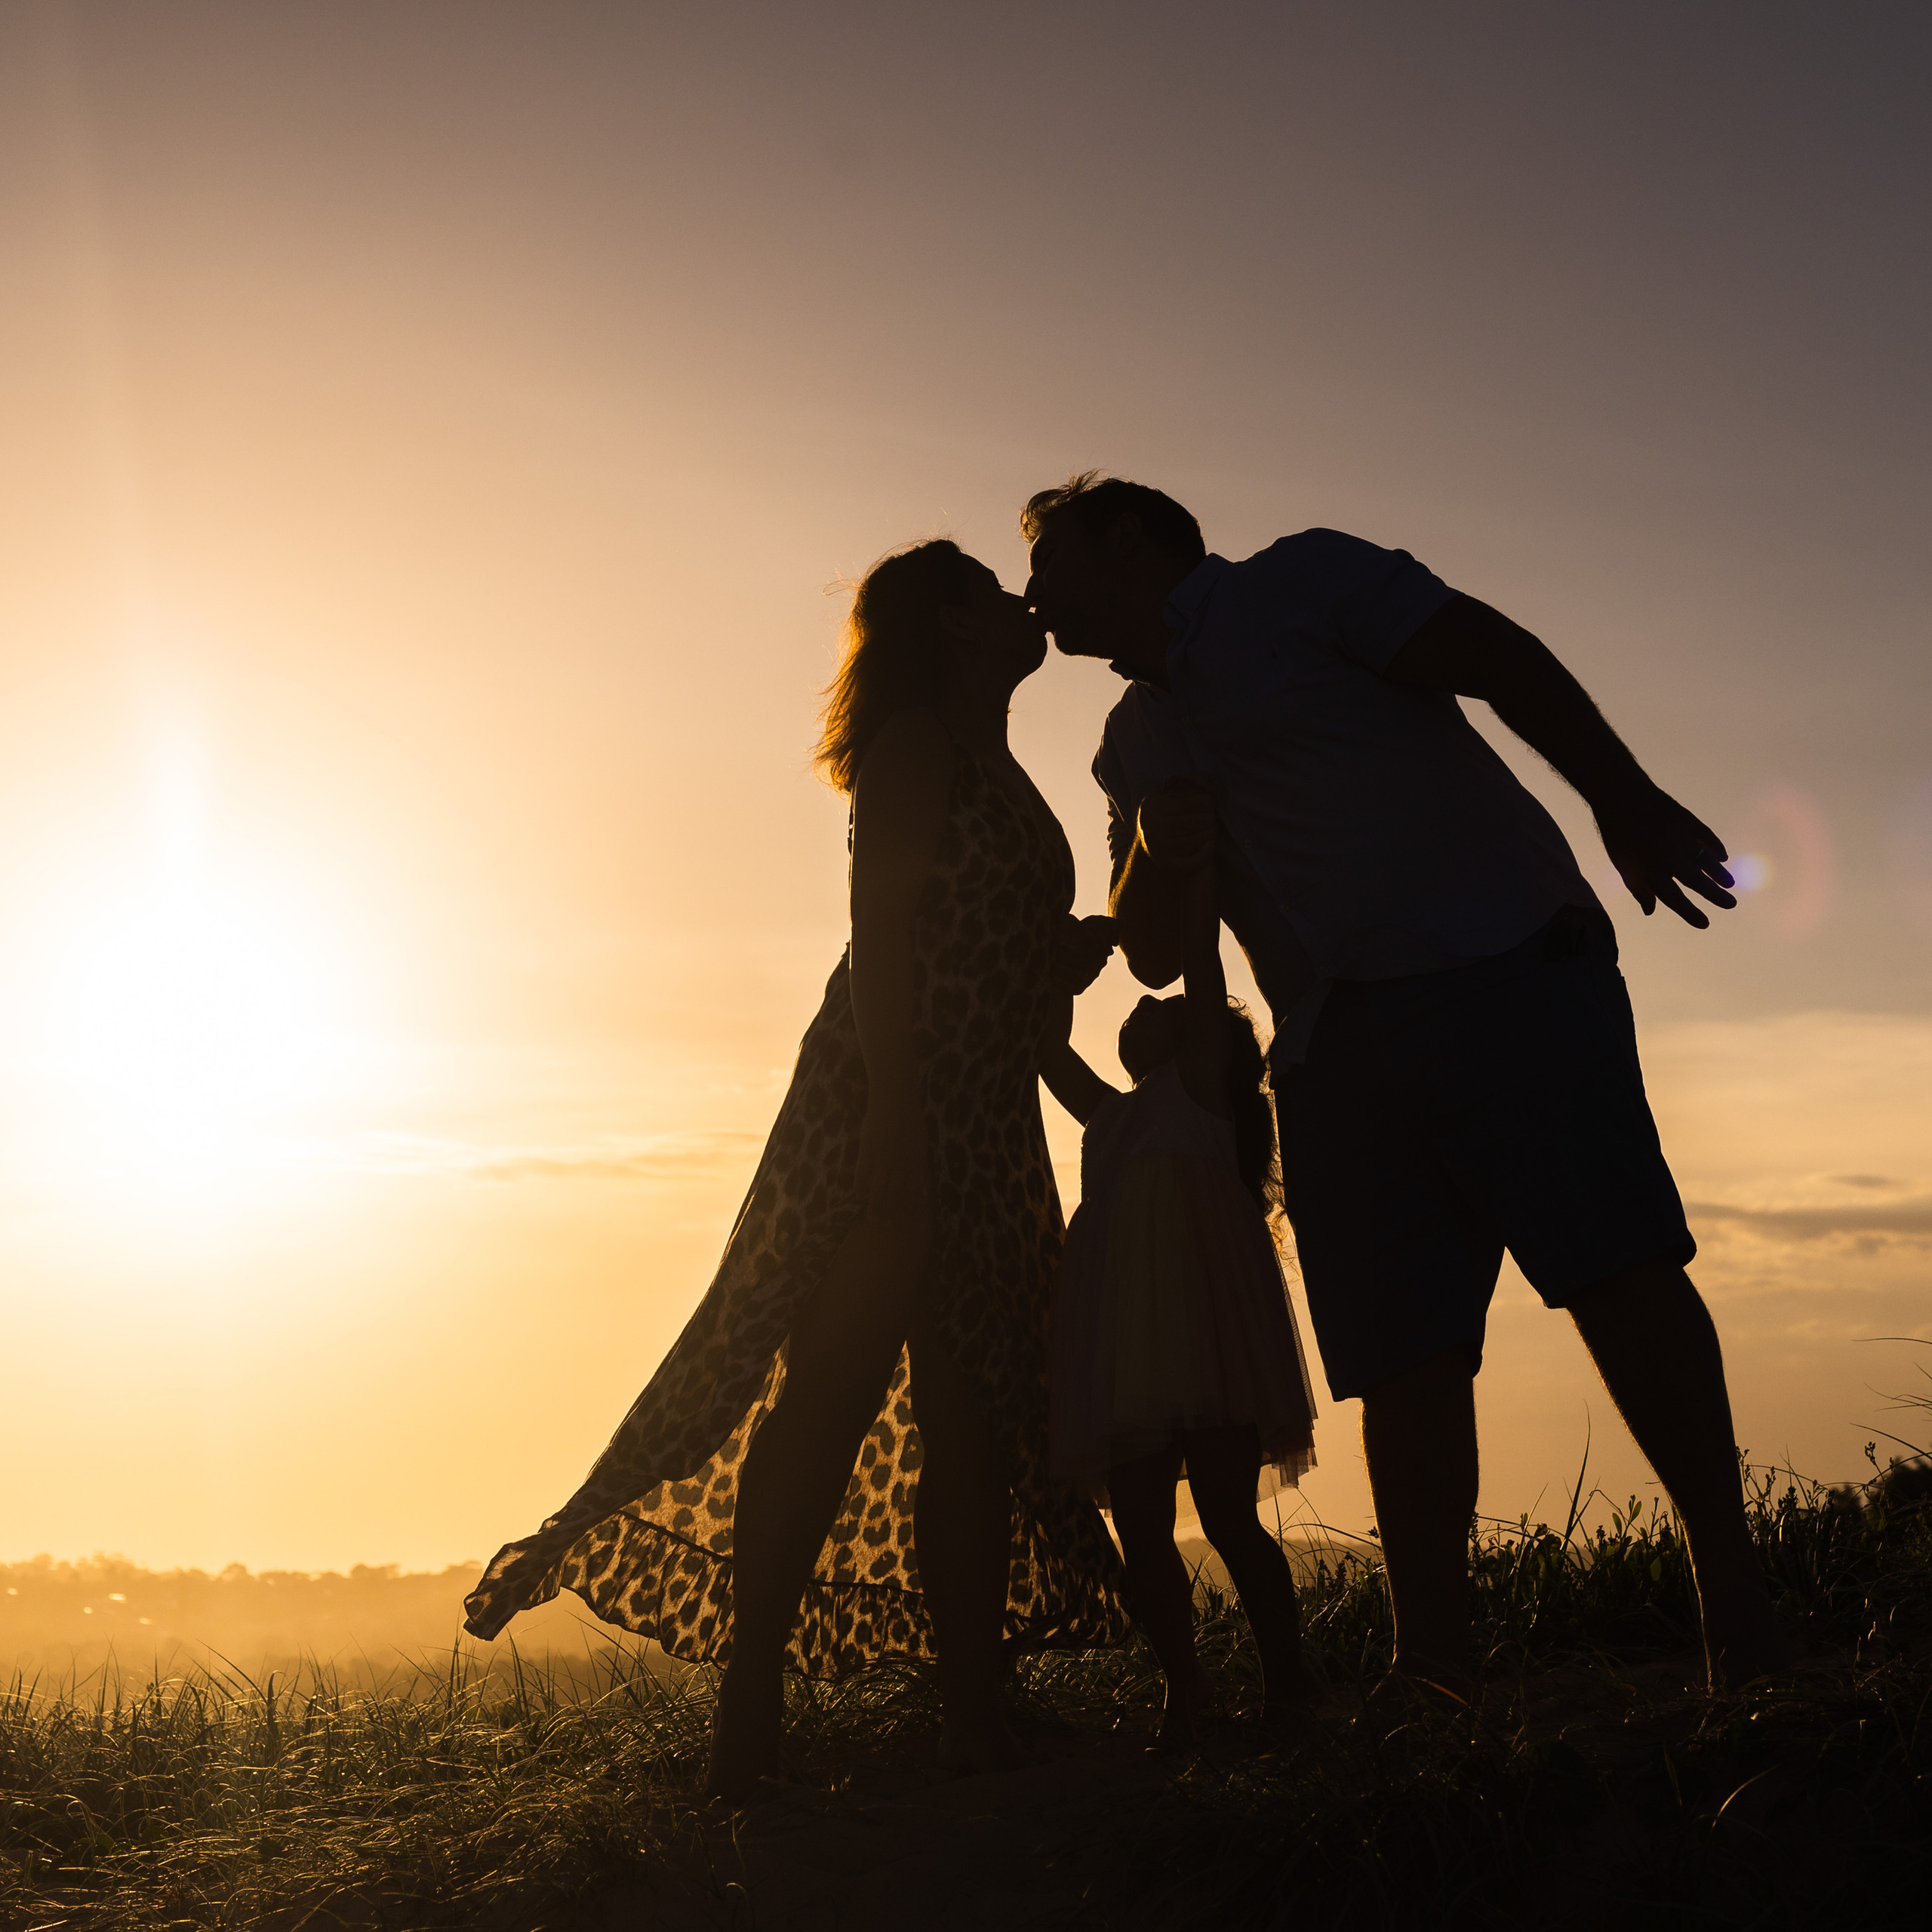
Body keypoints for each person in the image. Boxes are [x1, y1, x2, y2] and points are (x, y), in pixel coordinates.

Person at [1021, 471, 1789, 1694]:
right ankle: (1432, 1675)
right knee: (1403, 1361)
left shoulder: (1303, 584)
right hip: (1335, 1047)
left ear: (1125, 544)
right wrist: (1157, 850)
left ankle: (1736, 1612)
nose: (1034, 598)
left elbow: (1492, 654)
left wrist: (1622, 798)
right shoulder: (1132, 739)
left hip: (1503, 965)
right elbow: (1157, 948)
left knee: (1619, 1274)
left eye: (1048, 567)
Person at [463, 539, 1126, 1803]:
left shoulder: (1001, 763)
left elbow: (993, 945)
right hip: (887, 1103)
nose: (1021, 606)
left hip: (986, 1118)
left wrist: (1079, 946)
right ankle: (748, 1712)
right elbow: (881, 939)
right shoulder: (921, 748)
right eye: (991, 593)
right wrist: (889, 1131)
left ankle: (972, 1709)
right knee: (827, 1386)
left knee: (977, 1409)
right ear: (947, 625)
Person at [1040, 833, 1318, 1745]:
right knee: (1147, 1533)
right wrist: (1069, 967)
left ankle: (1287, 1688)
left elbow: (1199, 962)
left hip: (1201, 1341)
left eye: (1159, 1006)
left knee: (1232, 1519)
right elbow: (1042, 1044)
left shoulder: (1200, 1095)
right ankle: (1186, 1691)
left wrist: (1189, 866)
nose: (1142, 1004)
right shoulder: (1112, 1119)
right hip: (1129, 1351)